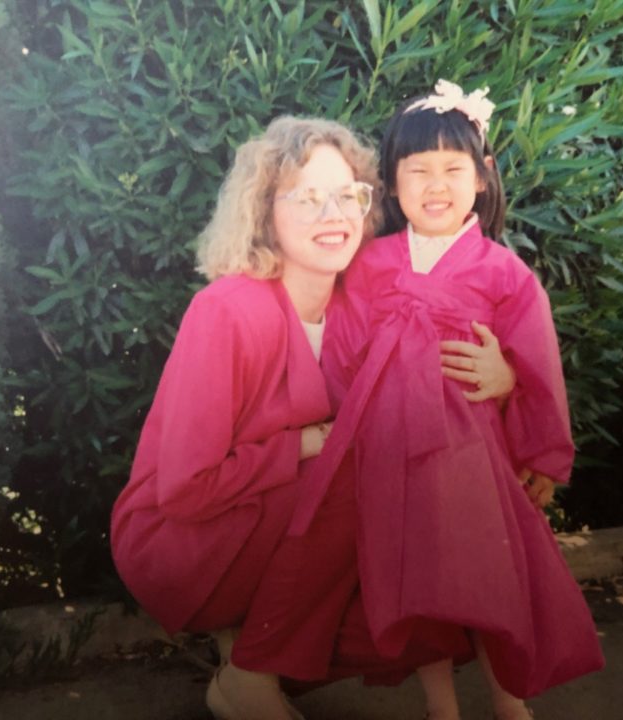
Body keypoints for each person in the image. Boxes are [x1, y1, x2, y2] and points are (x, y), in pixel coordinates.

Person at [110, 115, 516, 720]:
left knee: (411, 495)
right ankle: (251, 672)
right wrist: (302, 443)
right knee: (366, 475)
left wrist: (505, 382)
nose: (335, 213)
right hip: (182, 542)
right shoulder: (227, 311)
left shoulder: (364, 301)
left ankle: (253, 653)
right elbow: (185, 489)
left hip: (271, 527)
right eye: (307, 197)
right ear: (263, 212)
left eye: (348, 195)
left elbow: (435, 404)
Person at [289, 81, 605, 720]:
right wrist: (333, 429)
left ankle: (508, 702)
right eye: (418, 170)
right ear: (393, 184)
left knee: (487, 577)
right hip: (390, 456)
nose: (436, 185)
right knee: (417, 588)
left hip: (471, 459)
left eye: (452, 169)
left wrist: (513, 388)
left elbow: (536, 360)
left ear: (483, 179)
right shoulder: (370, 266)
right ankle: (441, 706)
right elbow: (343, 353)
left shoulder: (503, 273)